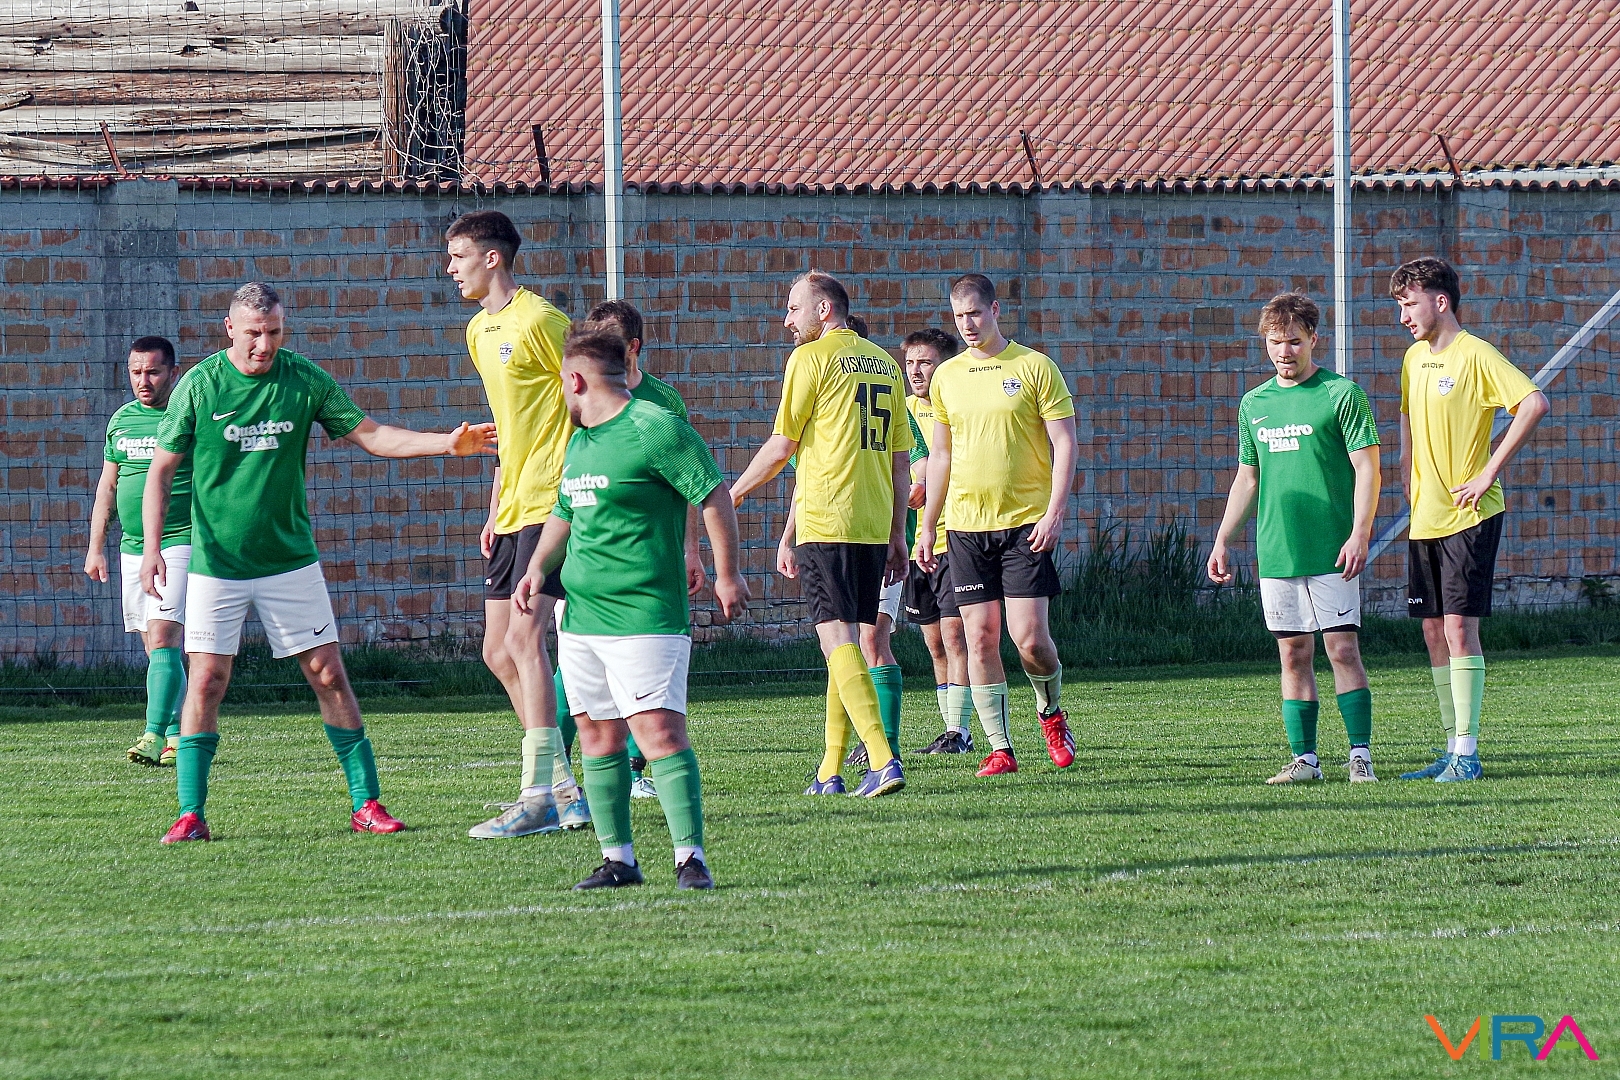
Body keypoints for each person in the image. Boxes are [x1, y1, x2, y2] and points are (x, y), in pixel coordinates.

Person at [140, 282, 497, 843]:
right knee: (206, 680)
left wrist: (446, 444)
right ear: (230, 329)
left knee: (329, 674)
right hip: (216, 565)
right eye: (254, 333)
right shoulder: (200, 385)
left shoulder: (303, 378)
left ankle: (366, 803)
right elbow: (160, 472)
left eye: (274, 332)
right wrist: (152, 550)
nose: (264, 345)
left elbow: (373, 436)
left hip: (290, 562)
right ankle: (190, 814)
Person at [513, 325, 749, 890]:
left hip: (645, 615)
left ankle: (690, 859)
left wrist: (728, 573)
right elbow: (565, 512)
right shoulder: (581, 442)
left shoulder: (655, 427)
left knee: (658, 732)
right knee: (597, 736)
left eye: (561, 382)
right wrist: (538, 567)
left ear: (575, 380)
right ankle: (618, 860)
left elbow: (712, 493)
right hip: (583, 619)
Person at [731, 270, 913, 798]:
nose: (786, 320)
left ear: (824, 310)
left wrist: (731, 494)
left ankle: (882, 759)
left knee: (836, 642)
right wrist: (897, 534)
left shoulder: (810, 359)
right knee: (846, 644)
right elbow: (900, 459)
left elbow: (782, 445)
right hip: (872, 521)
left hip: (829, 517)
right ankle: (829, 770)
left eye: (794, 308)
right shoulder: (885, 363)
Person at [445, 210, 588, 838]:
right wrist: (495, 499)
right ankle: (562, 788)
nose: (451, 269)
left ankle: (538, 796)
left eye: (458, 257)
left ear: (492, 257)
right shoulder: (479, 330)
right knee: (496, 650)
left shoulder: (541, 321)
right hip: (513, 504)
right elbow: (512, 425)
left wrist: (584, 483)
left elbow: (590, 398)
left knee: (527, 641)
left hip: (551, 500)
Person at [1207, 293, 1382, 783]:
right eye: (1275, 342)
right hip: (1278, 550)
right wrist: (1223, 539)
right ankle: (1305, 760)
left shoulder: (1342, 394)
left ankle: (1360, 755)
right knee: (1293, 653)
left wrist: (1359, 533)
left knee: (1342, 649)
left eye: (1294, 342)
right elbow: (1248, 478)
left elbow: (1368, 468)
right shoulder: (1254, 404)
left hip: (1332, 548)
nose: (1284, 352)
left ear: (1313, 340)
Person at [1389, 258, 1548, 782]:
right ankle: (1450, 747)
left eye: (1409, 304)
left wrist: (1488, 472)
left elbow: (1533, 403)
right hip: (1425, 515)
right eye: (1399, 306)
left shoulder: (1475, 354)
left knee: (1459, 627)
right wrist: (1407, 466)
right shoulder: (1414, 358)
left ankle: (1468, 754)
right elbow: (1407, 414)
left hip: (1469, 514)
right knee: (1433, 630)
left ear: (1440, 302)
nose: (1403, 316)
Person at [917, 273, 1077, 777]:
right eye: (958, 316)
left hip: (1025, 525)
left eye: (975, 313)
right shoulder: (947, 377)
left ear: (995, 310)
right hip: (965, 527)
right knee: (980, 637)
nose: (967, 324)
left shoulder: (1034, 367)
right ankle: (1000, 748)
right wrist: (928, 525)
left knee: (1030, 640)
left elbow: (1065, 442)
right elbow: (941, 455)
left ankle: (1051, 713)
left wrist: (1054, 512)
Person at [584, 299, 709, 799]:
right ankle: (556, 775)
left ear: (633, 348)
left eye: (610, 344)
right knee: (578, 676)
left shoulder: (663, 404)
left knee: (648, 678)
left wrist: (692, 550)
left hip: (651, 564)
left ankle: (635, 772)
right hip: (592, 560)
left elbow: (694, 483)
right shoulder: (581, 401)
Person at [85, 336, 193, 768]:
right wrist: (96, 547)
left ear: (173, 373)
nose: (143, 380)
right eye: (135, 372)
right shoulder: (122, 420)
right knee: (155, 648)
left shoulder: (188, 417)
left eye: (153, 372)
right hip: (131, 548)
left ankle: (151, 735)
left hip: (179, 540)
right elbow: (108, 486)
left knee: (165, 637)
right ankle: (177, 737)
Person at [899, 328, 974, 755]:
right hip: (915, 544)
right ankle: (950, 729)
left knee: (955, 634)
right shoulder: (902, 410)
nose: (916, 371)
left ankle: (960, 732)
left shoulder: (959, 409)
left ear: (945, 366)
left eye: (925, 362)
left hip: (953, 537)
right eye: (910, 363)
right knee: (933, 642)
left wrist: (929, 485)